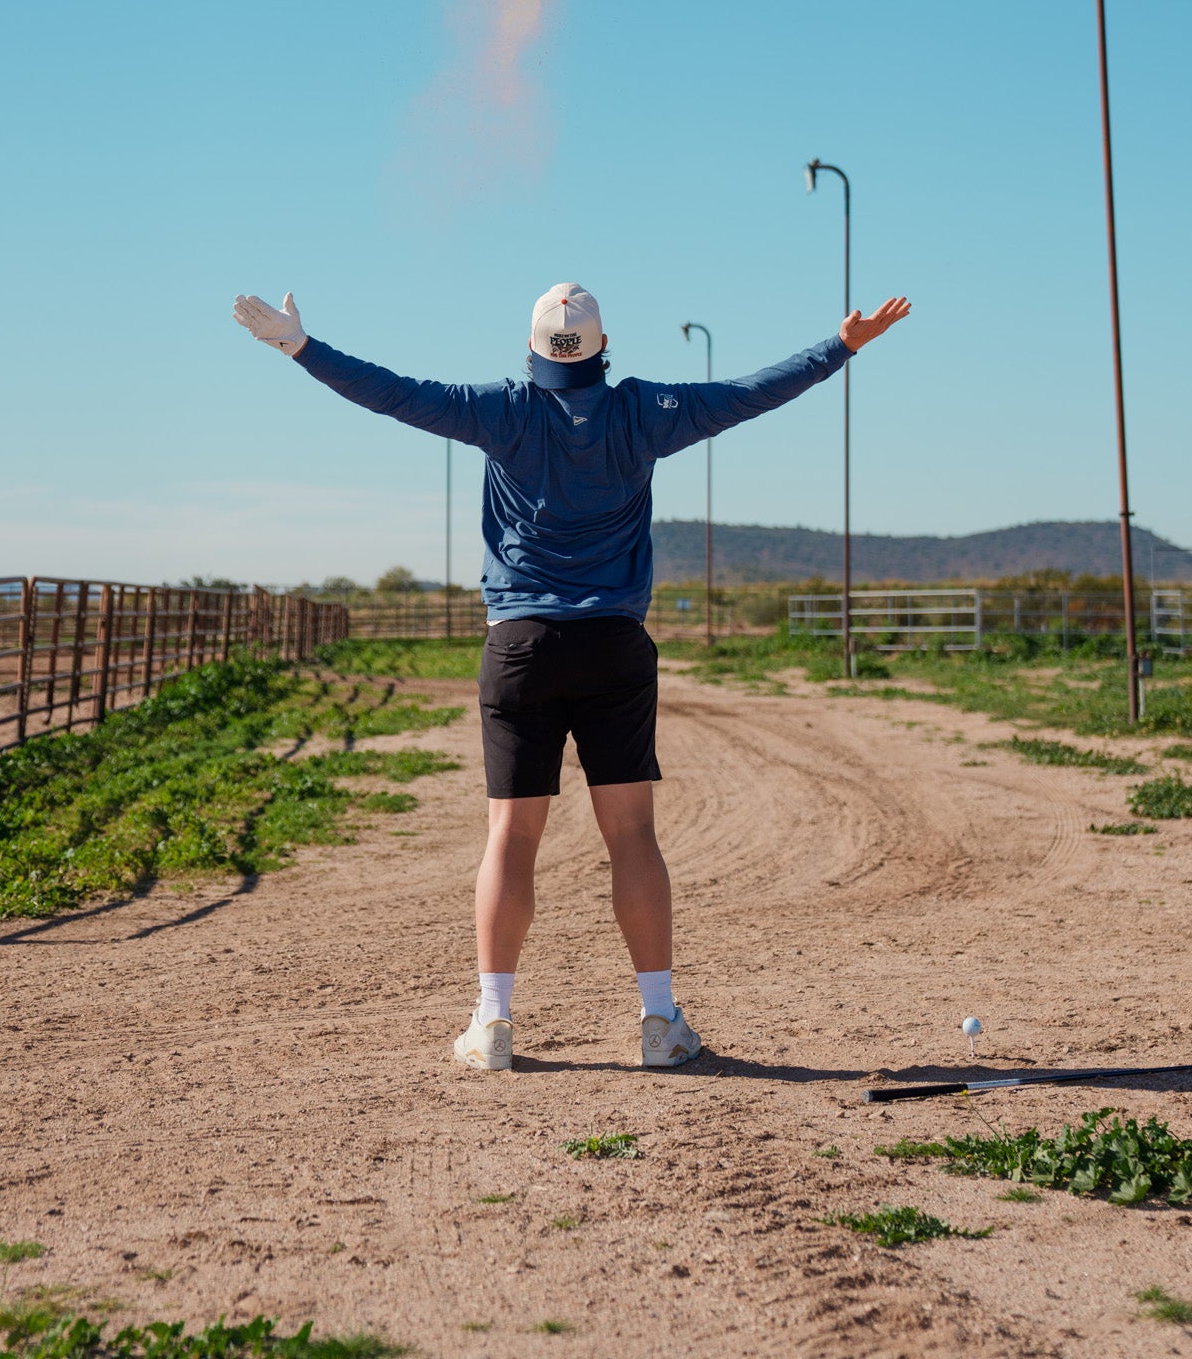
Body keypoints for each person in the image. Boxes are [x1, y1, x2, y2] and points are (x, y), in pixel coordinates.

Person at [233, 281, 910, 1073]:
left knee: (510, 839)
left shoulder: (501, 410)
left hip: (518, 646)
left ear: (531, 350)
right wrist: (839, 346)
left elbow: (391, 394)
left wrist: (299, 346)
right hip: (614, 645)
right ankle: (658, 1022)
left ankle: (492, 1024)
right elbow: (748, 394)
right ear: (601, 347)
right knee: (632, 835)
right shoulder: (643, 411)